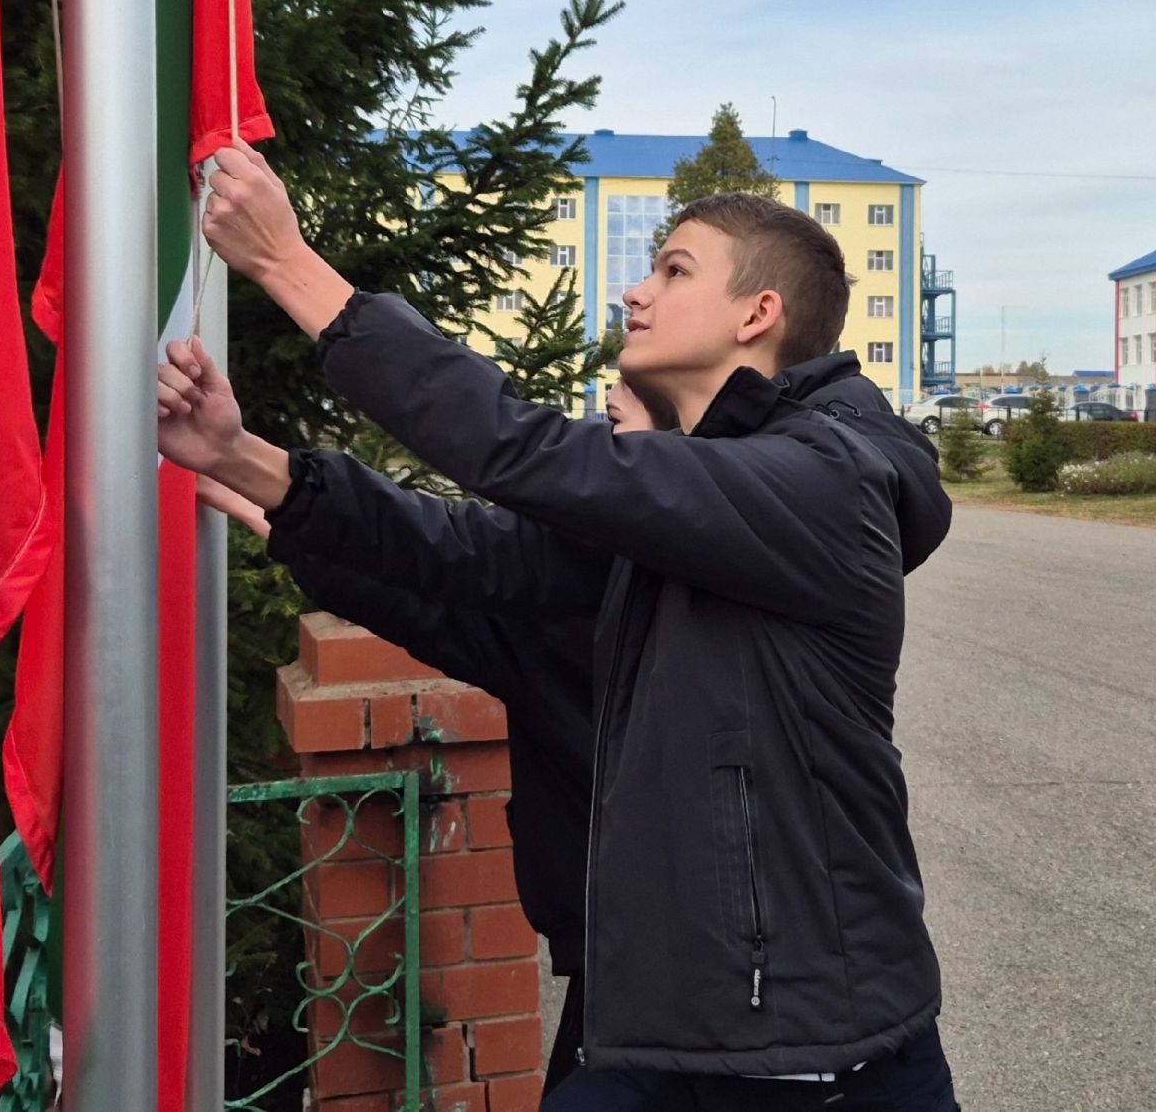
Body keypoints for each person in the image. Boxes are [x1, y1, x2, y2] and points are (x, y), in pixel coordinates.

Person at [158, 146, 959, 1109]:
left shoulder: (825, 482)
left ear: (758, 314)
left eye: (674, 270)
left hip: (816, 1053)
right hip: (662, 1029)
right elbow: (474, 554)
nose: (638, 293)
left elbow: (526, 453)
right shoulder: (691, 512)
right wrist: (247, 459)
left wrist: (291, 264)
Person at [195, 379, 658, 1096]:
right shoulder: (568, 616)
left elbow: (448, 546)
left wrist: (274, 486)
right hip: (614, 977)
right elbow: (426, 603)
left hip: (694, 994)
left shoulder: (703, 599)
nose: (592, 455)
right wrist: (283, 515)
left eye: (615, 434)